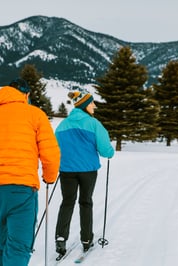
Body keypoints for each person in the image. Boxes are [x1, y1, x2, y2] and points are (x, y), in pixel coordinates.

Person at [0, 78, 60, 266]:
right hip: (21, 190)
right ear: (26, 95)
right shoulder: (35, 115)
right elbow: (51, 154)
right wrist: (49, 177)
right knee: (18, 248)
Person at [54, 87, 114, 256]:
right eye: (91, 103)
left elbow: (54, 148)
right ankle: (86, 240)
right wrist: (110, 152)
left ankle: (60, 239)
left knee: (67, 202)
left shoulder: (62, 125)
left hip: (66, 170)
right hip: (88, 170)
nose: (94, 105)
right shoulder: (93, 123)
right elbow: (106, 151)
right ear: (85, 105)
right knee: (85, 202)